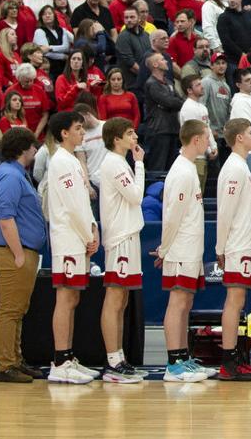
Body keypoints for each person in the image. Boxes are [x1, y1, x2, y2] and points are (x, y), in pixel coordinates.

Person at [43, 111, 100, 384]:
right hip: (68, 239)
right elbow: (72, 204)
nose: (82, 133)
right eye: (78, 128)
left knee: (73, 299)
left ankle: (67, 356)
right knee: (65, 299)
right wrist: (87, 232)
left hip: (78, 237)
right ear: (64, 133)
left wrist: (92, 227)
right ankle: (60, 361)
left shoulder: (73, 160)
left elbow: (82, 201)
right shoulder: (61, 162)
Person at [156, 120, 215, 382]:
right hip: (179, 248)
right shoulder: (181, 171)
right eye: (206, 137)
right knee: (178, 302)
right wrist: (164, 249)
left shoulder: (189, 169)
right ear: (195, 140)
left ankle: (182, 357)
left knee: (186, 303)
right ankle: (173, 363)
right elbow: (172, 216)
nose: (209, 142)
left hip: (190, 247)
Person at [0, 127, 44, 382]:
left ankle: (15, 360)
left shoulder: (17, 174)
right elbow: (5, 218)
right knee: (10, 310)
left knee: (18, 309)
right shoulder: (10, 176)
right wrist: (19, 254)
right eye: (32, 146)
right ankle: (6, 365)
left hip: (20, 251)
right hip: (13, 252)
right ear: (23, 148)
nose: (35, 149)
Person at [96, 117, 148, 383]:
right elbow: (137, 196)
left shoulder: (118, 163)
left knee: (123, 300)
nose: (135, 136)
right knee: (115, 298)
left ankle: (120, 358)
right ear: (116, 139)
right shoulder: (115, 164)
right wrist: (139, 164)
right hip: (120, 237)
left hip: (128, 234)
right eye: (130, 133)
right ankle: (113, 361)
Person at [213, 118, 251, 381]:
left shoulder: (240, 166)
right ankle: (228, 359)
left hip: (244, 242)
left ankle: (234, 356)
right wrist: (221, 247)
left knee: (239, 301)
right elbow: (225, 212)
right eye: (250, 132)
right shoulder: (233, 168)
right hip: (237, 244)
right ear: (239, 138)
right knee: (234, 301)